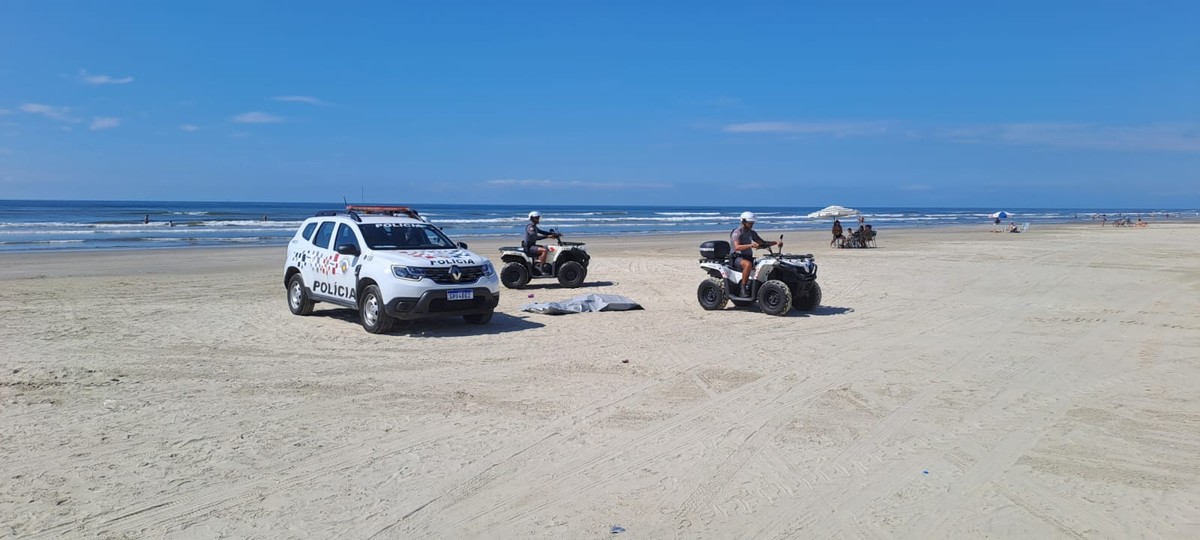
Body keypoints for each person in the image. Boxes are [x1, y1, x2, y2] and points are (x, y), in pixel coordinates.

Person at [730, 211, 780, 297]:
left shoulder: (751, 232)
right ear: (743, 221)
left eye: (752, 223)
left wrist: (776, 242)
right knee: (748, 265)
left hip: (748, 257)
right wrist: (750, 245)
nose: (751, 225)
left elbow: (762, 243)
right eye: (750, 223)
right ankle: (743, 288)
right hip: (737, 258)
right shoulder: (737, 232)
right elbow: (737, 247)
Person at [523, 211, 559, 275]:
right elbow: (535, 237)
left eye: (538, 218)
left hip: (532, 246)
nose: (538, 219)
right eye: (536, 218)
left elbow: (542, 232)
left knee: (546, 247)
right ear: (532, 218)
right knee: (544, 250)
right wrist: (547, 236)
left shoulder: (534, 227)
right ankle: (541, 268)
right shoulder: (530, 227)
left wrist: (553, 234)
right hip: (529, 247)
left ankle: (539, 263)